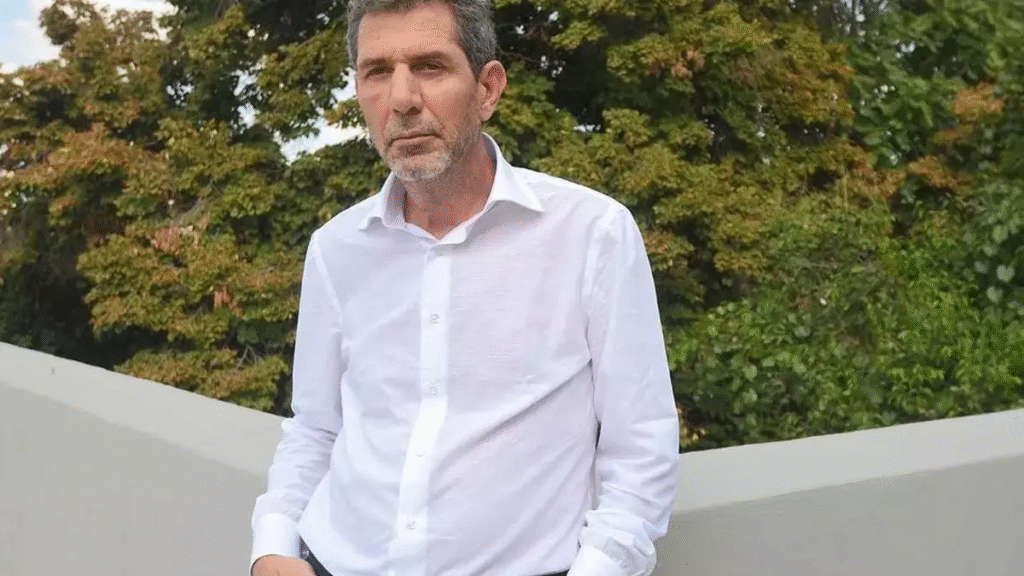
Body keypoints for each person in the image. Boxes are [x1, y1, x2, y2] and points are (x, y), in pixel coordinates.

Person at [249, 1, 680, 575]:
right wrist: (273, 548)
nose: (402, 99)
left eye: (430, 66)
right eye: (377, 72)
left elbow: (641, 447)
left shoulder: (591, 233)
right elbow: (315, 427)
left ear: (488, 89)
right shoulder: (337, 248)